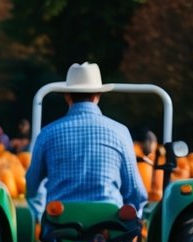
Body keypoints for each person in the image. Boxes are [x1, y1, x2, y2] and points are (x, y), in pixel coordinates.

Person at [24, 62, 147, 222]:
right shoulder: (120, 132)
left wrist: (41, 215)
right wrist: (133, 217)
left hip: (60, 223)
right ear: (98, 95)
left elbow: (33, 185)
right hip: (108, 225)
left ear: (67, 96)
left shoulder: (47, 134)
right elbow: (134, 191)